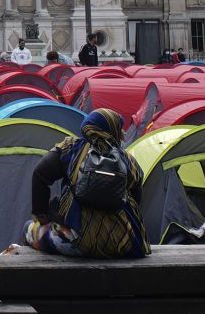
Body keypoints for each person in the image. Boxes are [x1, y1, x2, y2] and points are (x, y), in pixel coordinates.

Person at [25, 109, 149, 259]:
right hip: (122, 245)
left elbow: (39, 175)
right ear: (113, 129)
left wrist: (42, 216)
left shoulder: (71, 149)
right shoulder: (126, 160)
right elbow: (137, 195)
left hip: (75, 243)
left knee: (28, 228)